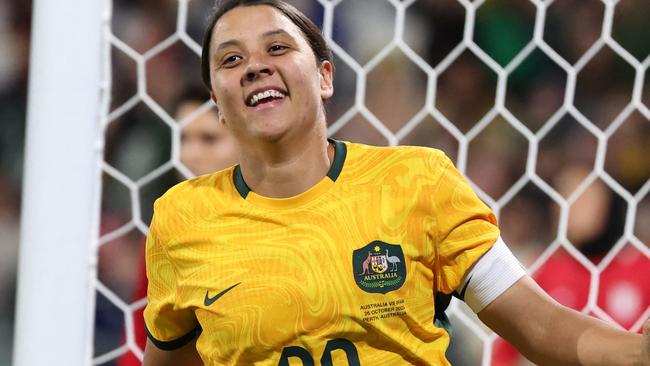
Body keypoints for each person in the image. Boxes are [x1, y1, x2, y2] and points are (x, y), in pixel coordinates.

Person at [141, 1, 650, 365]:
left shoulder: (417, 182)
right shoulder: (182, 217)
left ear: (325, 77)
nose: (254, 67)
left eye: (277, 47)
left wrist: (635, 352)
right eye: (231, 59)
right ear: (216, 102)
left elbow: (539, 327)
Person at [117, 86, 239, 366]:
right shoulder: (164, 234)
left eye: (209, 139)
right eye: (182, 138)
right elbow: (138, 338)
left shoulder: (275, 226)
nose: (188, 154)